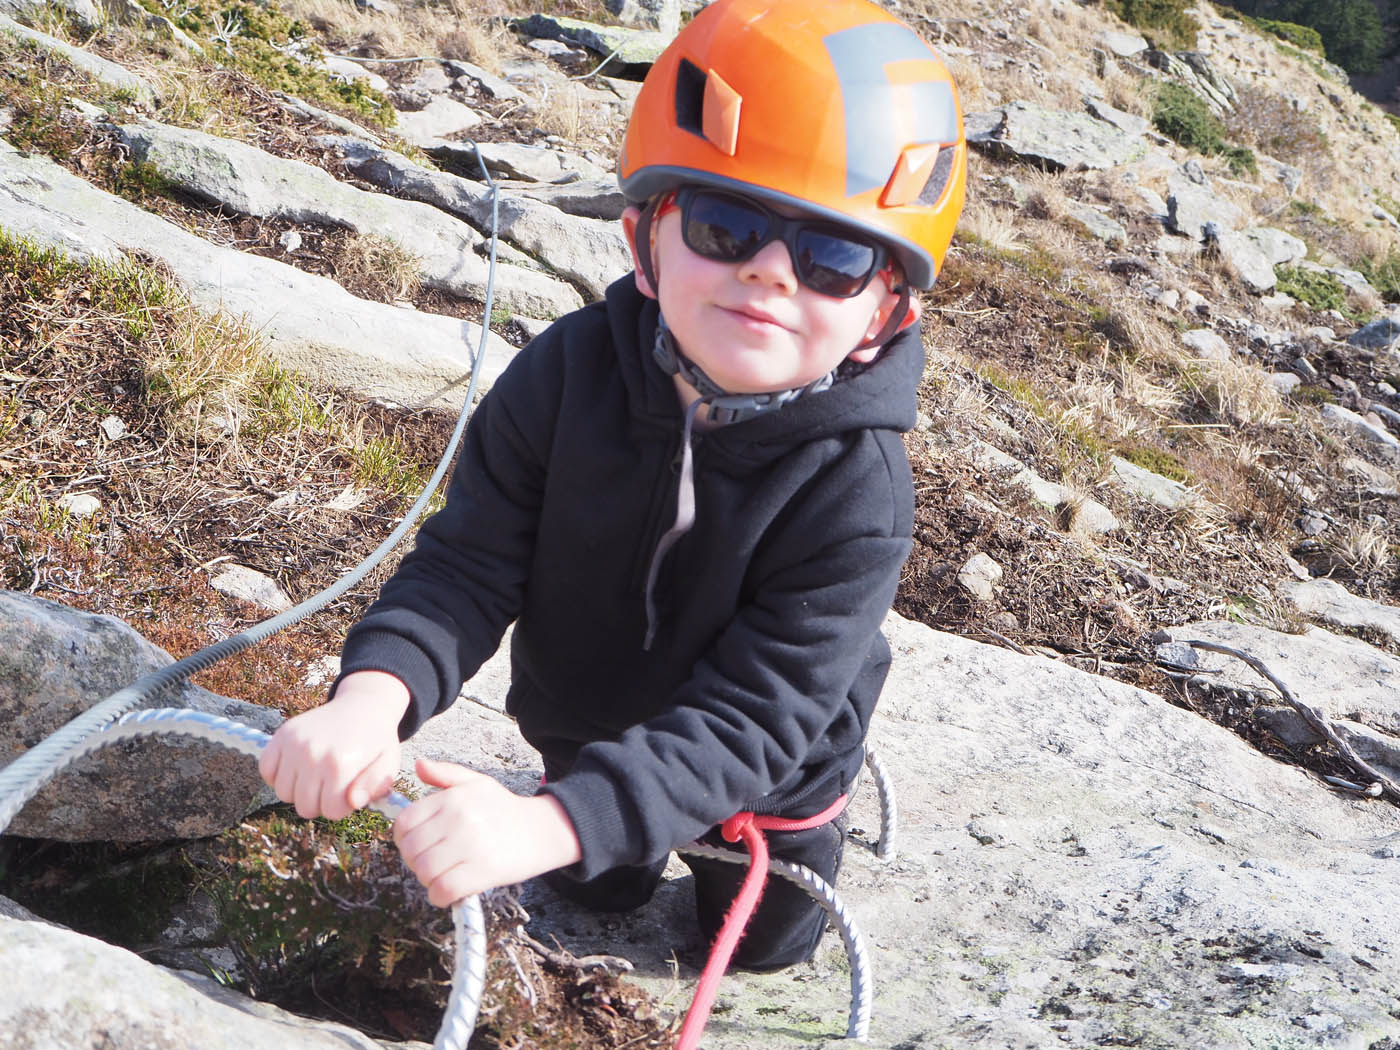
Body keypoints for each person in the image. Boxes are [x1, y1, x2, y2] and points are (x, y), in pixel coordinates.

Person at [259, 0, 966, 973]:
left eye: (832, 258)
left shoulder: (856, 490)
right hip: (578, 731)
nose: (768, 273)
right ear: (644, 234)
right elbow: (466, 568)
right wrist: (368, 703)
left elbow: (756, 719)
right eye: (726, 224)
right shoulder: (563, 374)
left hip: (756, 788)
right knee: (587, 893)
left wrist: (544, 826)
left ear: (887, 311)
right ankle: (595, 844)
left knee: (757, 948)